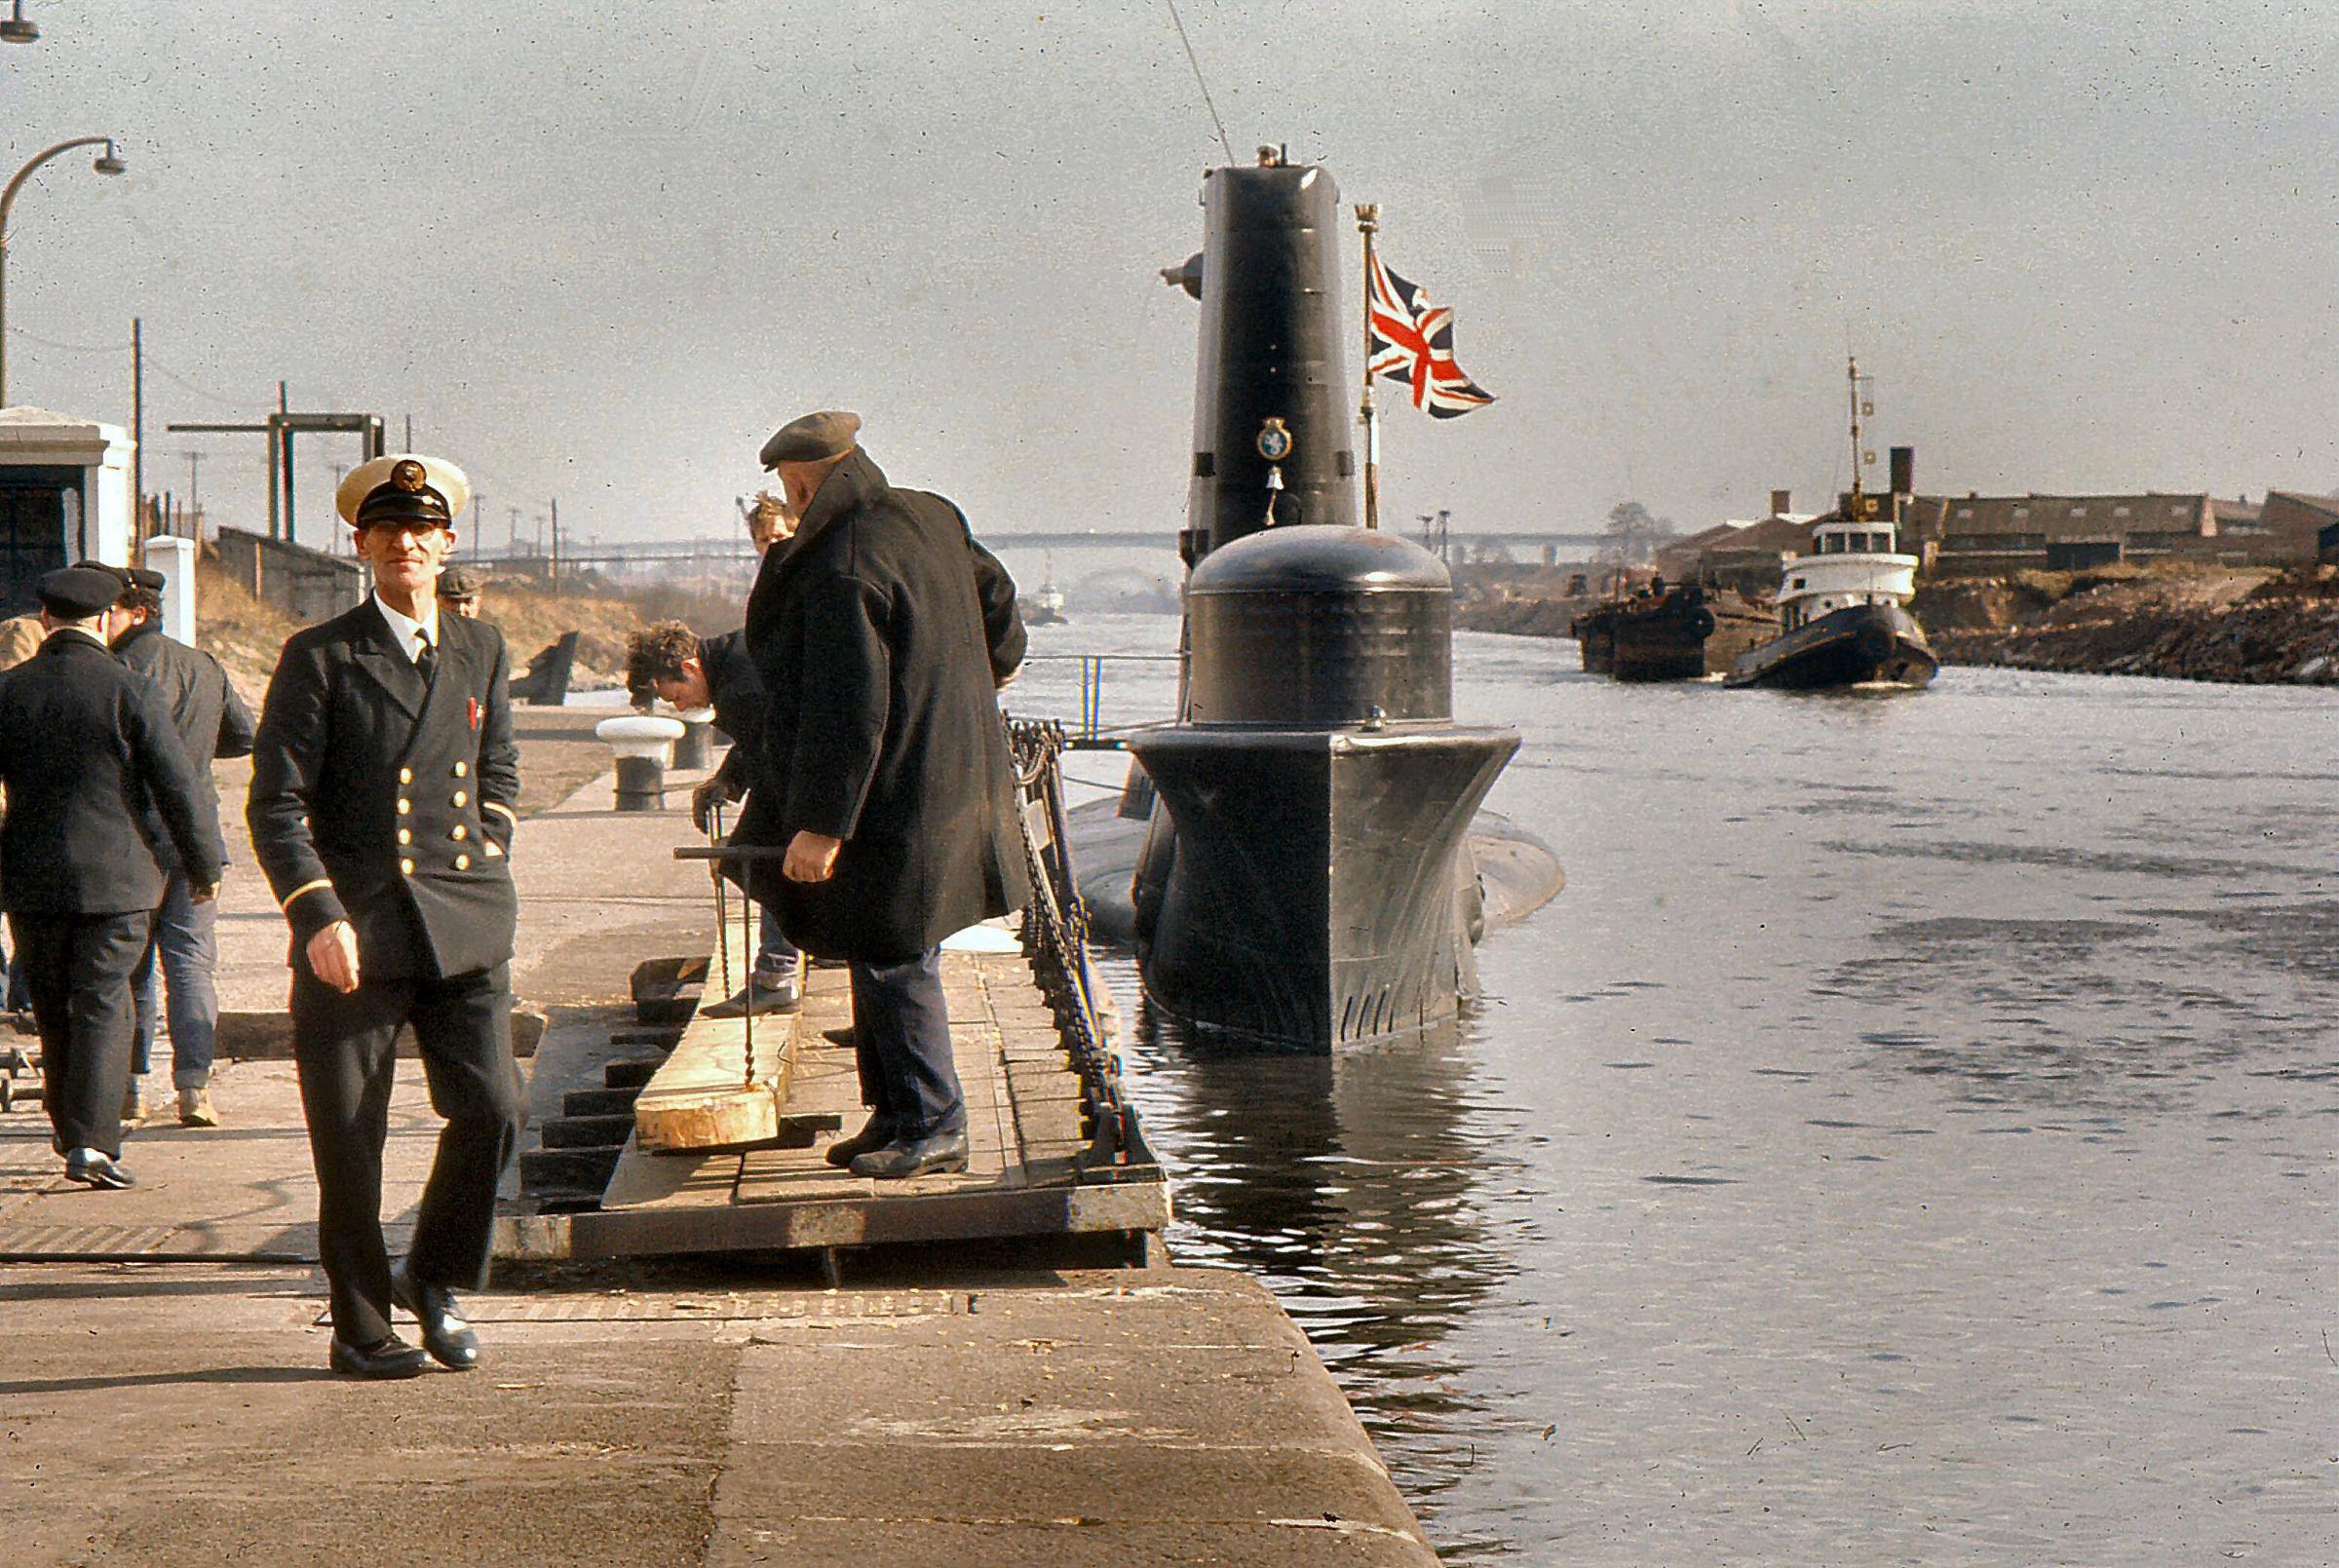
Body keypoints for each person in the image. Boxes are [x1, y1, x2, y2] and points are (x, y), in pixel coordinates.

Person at [247, 453, 525, 1380]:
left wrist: (490, 844)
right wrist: (316, 914)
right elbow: (275, 806)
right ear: (361, 546)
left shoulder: (483, 649)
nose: (406, 545)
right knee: (350, 1139)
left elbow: (498, 773)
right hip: (355, 935)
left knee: (493, 1107)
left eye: (422, 531)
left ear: (447, 545)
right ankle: (360, 1324)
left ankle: (434, 1275)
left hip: (465, 923)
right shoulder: (320, 654)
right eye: (387, 532)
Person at [741, 409, 1029, 1180]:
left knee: (898, 950)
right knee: (878, 941)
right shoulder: (930, 513)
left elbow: (850, 704)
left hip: (896, 787)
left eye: (789, 490)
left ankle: (936, 1119)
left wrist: (820, 827)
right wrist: (987, 669)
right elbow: (997, 597)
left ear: (801, 480)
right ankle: (897, 1110)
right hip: (950, 770)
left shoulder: (843, 560)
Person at [0, 566, 224, 1190]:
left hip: (31, 878)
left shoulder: (7, 691)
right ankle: (94, 1144)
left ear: (46, 619)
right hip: (121, 881)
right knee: (104, 999)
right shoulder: (130, 690)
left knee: (51, 1001)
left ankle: (67, 1125)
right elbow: (180, 788)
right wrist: (203, 866)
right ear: (104, 620)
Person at [104, 564, 256, 1128]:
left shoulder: (115, 669)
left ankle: (131, 1089)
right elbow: (243, 735)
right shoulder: (202, 664)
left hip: (131, 844)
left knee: (132, 971)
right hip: (196, 843)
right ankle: (194, 1089)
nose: (103, 619)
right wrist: (192, 757)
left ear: (136, 612)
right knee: (192, 966)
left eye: (112, 610)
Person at [624, 621, 801, 1016]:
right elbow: (762, 740)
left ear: (689, 668)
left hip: (823, 773)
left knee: (769, 859)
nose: (681, 708)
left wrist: (738, 846)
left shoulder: (741, 687)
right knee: (771, 855)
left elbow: (774, 768)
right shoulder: (740, 657)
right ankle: (794, 965)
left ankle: (776, 976)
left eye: (677, 697)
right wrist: (727, 781)